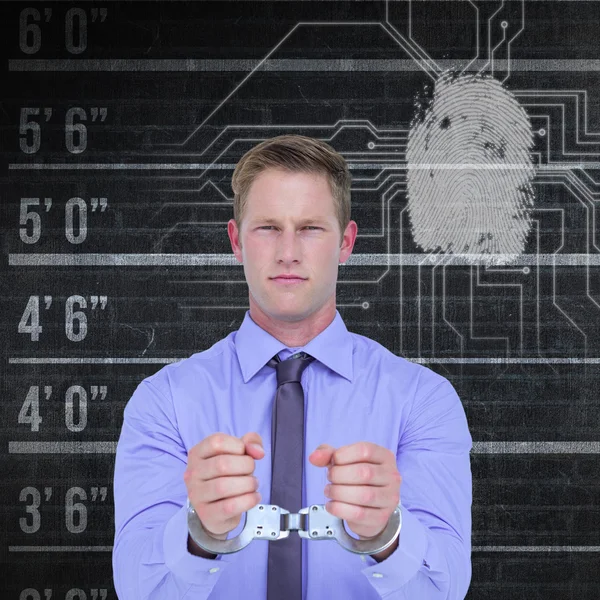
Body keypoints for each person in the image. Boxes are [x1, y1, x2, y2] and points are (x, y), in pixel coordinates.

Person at [112, 134, 473, 599]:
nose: (288, 252)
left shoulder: (423, 400)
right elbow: (137, 590)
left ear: (345, 242)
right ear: (236, 241)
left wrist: (387, 534)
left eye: (309, 228)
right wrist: (198, 533)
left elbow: (445, 592)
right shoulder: (165, 402)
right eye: (266, 228)